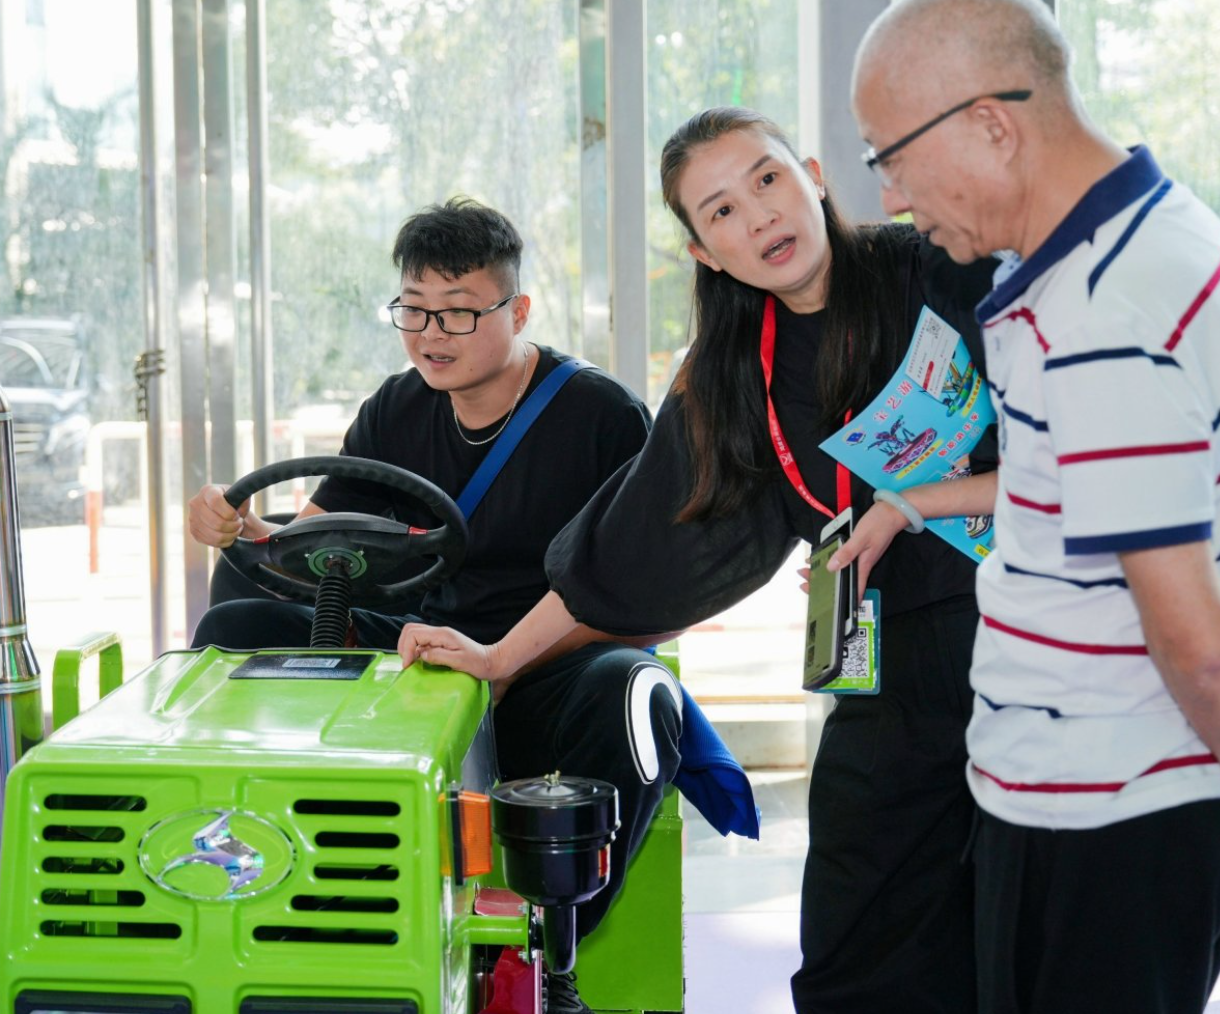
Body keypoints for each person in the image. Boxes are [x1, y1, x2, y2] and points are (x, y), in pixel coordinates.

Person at [400, 108, 1000, 1013]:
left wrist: (913, 502)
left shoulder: (936, 267)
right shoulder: (731, 374)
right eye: (720, 211)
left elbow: (1086, 449)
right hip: (889, 664)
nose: (758, 217)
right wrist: (496, 660)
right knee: (854, 947)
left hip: (1042, 632)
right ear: (702, 252)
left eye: (766, 180)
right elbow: (627, 549)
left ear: (811, 175)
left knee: (1035, 928)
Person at [187, 197, 695, 1014]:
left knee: (637, 689)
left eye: (459, 312)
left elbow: (656, 594)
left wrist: (507, 659)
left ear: (518, 311)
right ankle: (273, 884)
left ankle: (550, 948)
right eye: (415, 310)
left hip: (550, 667)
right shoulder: (398, 406)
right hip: (422, 655)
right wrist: (242, 530)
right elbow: (309, 546)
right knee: (235, 619)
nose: (432, 334)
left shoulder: (600, 418)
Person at [849, 2, 1220, 1012]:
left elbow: (1194, 647)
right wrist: (913, 502)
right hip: (1059, 786)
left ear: (990, 124)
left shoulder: (1107, 306)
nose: (890, 196)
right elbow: (1075, 477)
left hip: (1108, 811)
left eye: (890, 157)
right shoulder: (1068, 261)